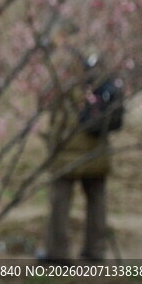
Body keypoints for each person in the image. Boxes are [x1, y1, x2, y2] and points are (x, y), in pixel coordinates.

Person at [41, 54, 122, 262]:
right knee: (97, 203)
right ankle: (95, 251)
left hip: (67, 154)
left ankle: (58, 253)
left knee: (60, 204)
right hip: (97, 153)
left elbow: (44, 103)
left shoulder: (65, 86)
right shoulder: (103, 83)